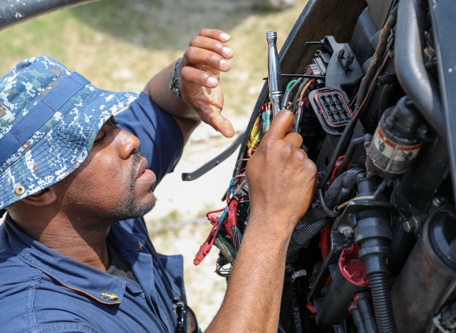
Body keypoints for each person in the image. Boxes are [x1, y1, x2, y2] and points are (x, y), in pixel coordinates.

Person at [0, 28, 317, 332]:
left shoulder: (92, 210)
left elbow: (162, 107)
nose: (129, 140)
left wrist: (184, 82)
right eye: (98, 137)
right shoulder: (40, 322)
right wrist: (271, 220)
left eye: (112, 122)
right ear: (40, 191)